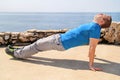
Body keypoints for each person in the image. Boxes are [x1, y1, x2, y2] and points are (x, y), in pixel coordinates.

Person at [5, 13, 112, 71]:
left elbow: (92, 47)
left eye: (102, 15)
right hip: (58, 39)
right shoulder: (94, 26)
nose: (100, 13)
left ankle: (16, 54)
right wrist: (94, 56)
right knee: (37, 45)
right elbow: (91, 44)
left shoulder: (95, 28)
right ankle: (20, 51)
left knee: (36, 46)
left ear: (101, 21)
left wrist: (91, 65)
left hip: (58, 42)